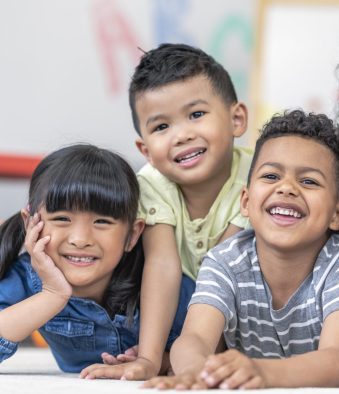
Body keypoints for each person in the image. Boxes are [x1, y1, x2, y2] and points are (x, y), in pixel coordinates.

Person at [143, 110, 339, 390]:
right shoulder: (225, 260)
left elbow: (338, 363)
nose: (287, 188)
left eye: (309, 181)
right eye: (271, 176)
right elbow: (194, 338)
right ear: (245, 201)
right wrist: (198, 372)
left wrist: (262, 373)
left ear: (337, 215)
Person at [84, 43, 253, 380]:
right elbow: (162, 266)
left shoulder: (257, 175)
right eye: (161, 127)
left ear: (236, 119)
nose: (182, 135)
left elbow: (226, 268)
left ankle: (197, 354)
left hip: (245, 297)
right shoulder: (151, 183)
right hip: (179, 302)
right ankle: (162, 354)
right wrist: (147, 359)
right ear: (145, 149)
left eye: (196, 114)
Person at [0, 144, 192, 374]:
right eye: (62, 218)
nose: (81, 239)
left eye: (102, 222)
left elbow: (216, 343)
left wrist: (166, 361)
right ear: (30, 222)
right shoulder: (25, 277)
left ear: (132, 234)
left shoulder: (161, 285)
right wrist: (53, 295)